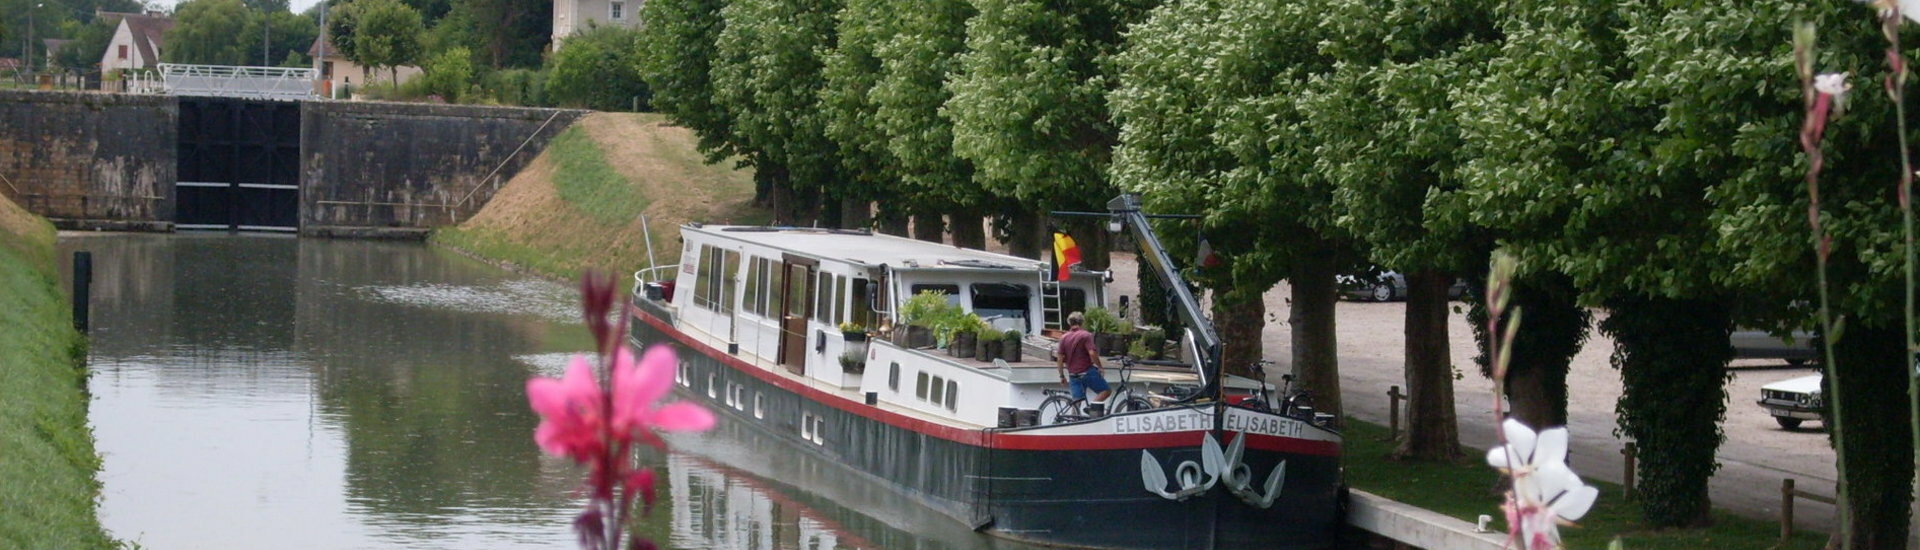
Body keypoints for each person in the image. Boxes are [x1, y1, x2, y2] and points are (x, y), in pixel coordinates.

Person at [1056, 312, 1111, 412]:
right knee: (1105, 391)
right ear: (1082, 322)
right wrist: (1100, 367)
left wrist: (1061, 376)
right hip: (1086, 372)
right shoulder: (1085, 335)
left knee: (1076, 403)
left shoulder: (1064, 337)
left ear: (1069, 323)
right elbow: (1092, 353)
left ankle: (1074, 422)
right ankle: (1091, 409)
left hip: (1073, 374)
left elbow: (1059, 358)